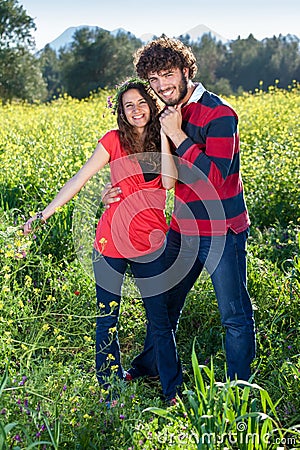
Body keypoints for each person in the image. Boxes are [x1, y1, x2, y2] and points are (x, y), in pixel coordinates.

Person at [102, 36, 256, 382]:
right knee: (164, 306)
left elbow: (215, 181)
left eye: (167, 75)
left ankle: (239, 389)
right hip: (182, 228)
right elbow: (143, 166)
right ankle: (149, 368)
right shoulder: (164, 115)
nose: (161, 86)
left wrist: (179, 135)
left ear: (186, 70)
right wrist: (111, 191)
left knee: (234, 315)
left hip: (222, 232)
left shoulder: (220, 114)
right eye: (153, 80)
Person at [23, 78, 183, 403]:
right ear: (121, 112)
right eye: (128, 105)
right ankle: (109, 389)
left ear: (151, 106)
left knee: (160, 320)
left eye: (141, 103)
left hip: (151, 243)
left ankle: (172, 392)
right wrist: (44, 214)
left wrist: (166, 136)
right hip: (111, 241)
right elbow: (80, 179)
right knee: (107, 316)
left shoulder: (165, 140)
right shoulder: (112, 141)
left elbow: (168, 183)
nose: (136, 110)